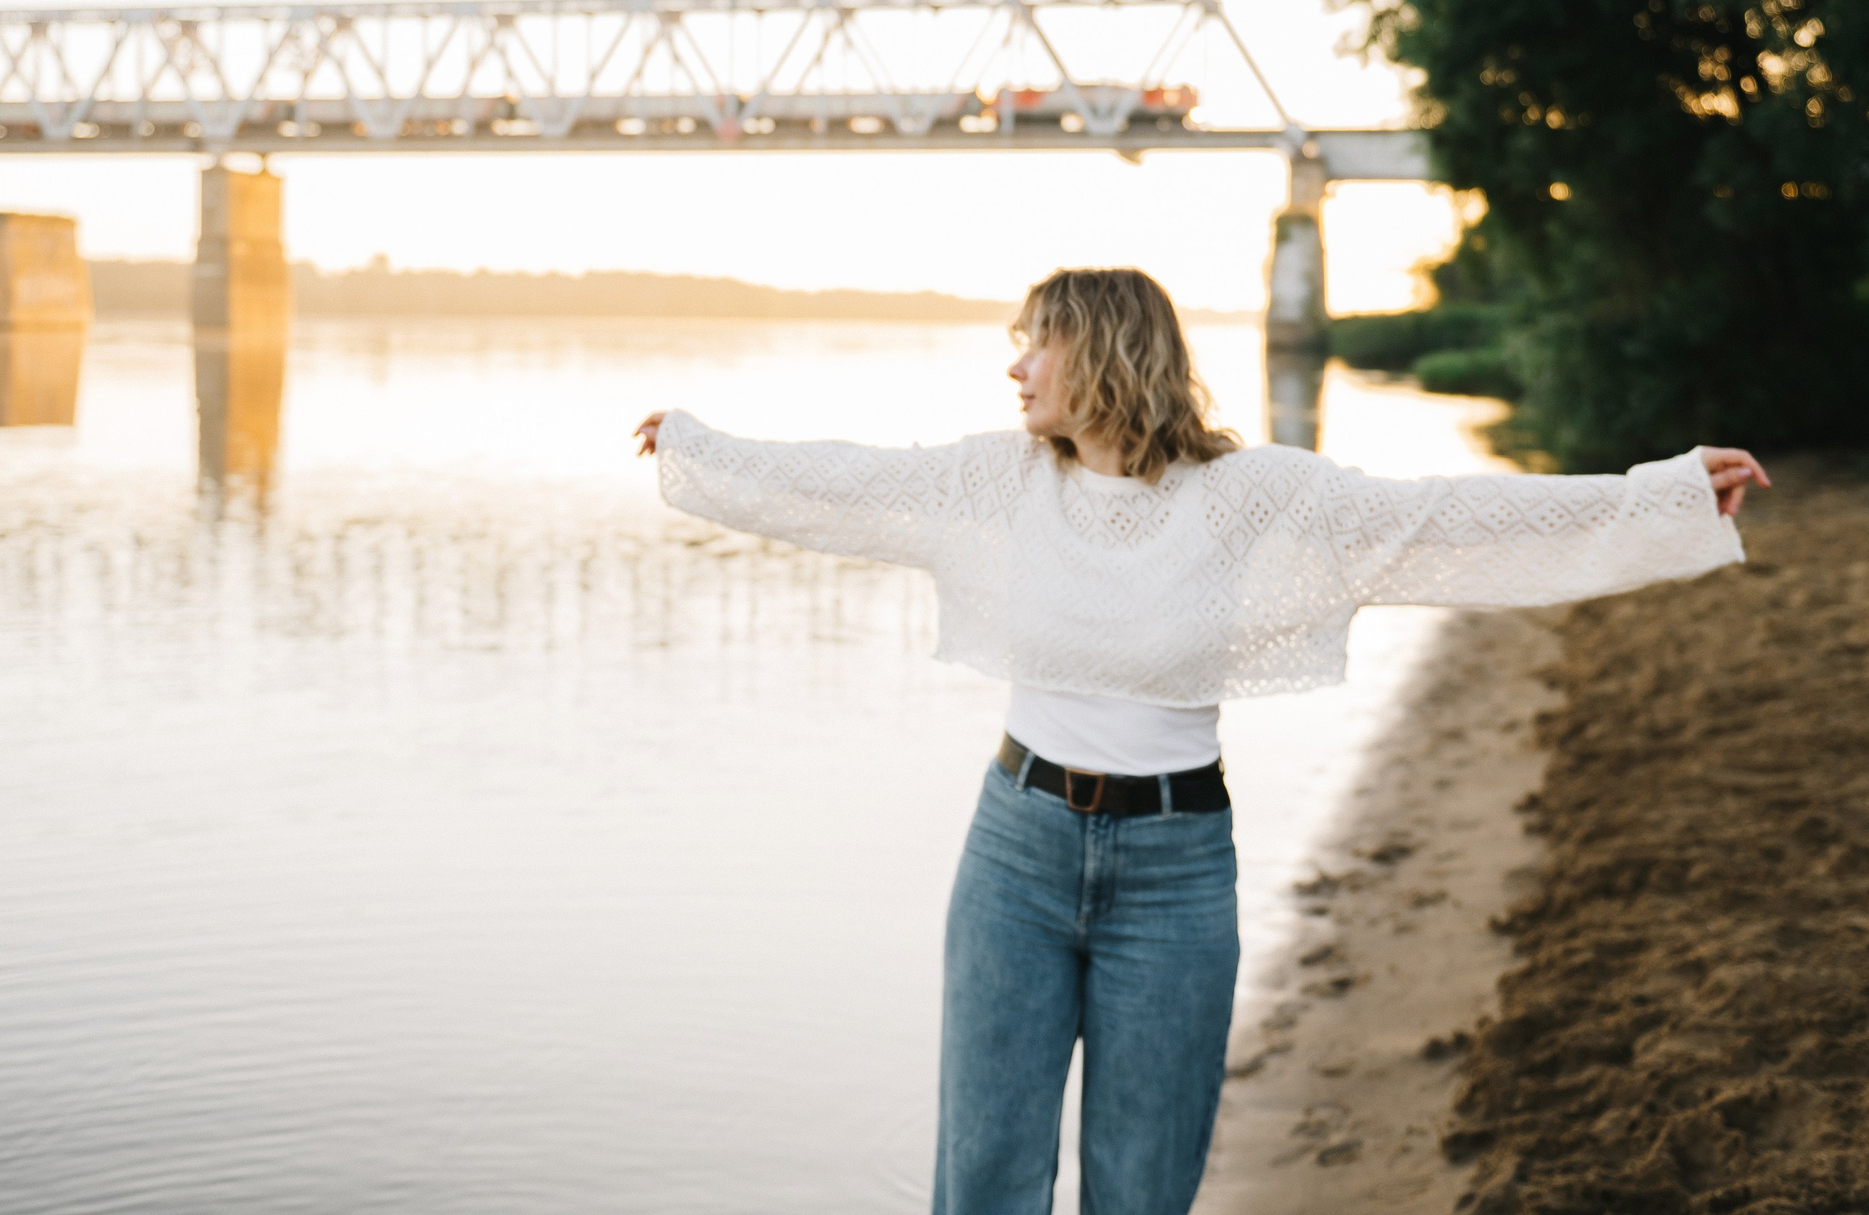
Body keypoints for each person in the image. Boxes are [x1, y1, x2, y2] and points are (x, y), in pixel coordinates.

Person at [632, 266, 1767, 1215]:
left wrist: (1662, 497)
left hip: (1173, 871)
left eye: (1038, 344)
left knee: (1143, 1184)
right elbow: (844, 482)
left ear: (1106, 355)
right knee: (984, 1175)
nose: (1017, 368)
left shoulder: (1243, 496)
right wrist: (700, 447)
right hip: (1016, 852)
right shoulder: (996, 480)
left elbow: (1438, 514)